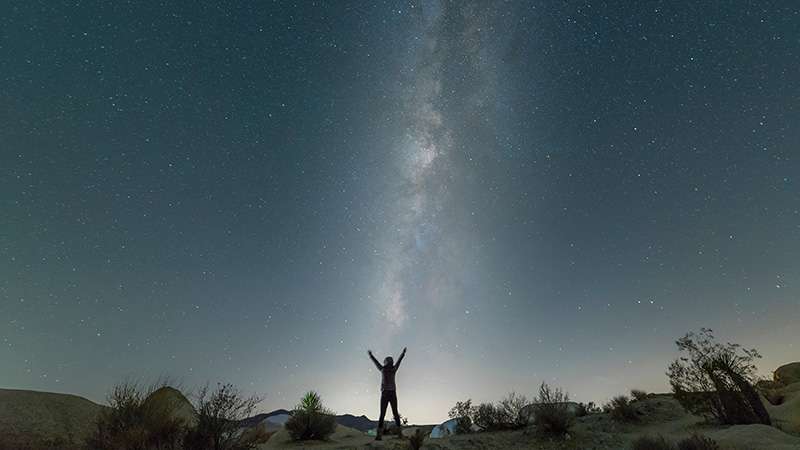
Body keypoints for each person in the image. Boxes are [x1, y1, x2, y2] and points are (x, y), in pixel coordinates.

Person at [367, 347, 406, 440]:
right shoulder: (391, 369)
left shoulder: (385, 369)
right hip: (391, 393)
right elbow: (399, 361)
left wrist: (371, 356)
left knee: (385, 414)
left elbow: (376, 362)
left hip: (386, 393)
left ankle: (380, 435)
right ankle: (397, 434)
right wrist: (403, 354)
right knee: (393, 413)